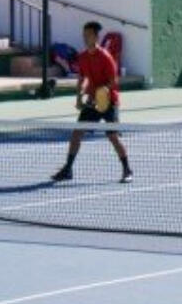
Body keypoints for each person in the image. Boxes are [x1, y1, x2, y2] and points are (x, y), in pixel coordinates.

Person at [51, 21, 133, 184]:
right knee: (76, 133)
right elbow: (82, 79)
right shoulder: (82, 57)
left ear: (96, 36)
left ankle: (127, 170)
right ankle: (68, 169)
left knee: (113, 137)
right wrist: (79, 97)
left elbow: (113, 81)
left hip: (109, 101)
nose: (85, 37)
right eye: (84, 34)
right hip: (92, 101)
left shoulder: (106, 57)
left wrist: (102, 93)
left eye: (88, 34)